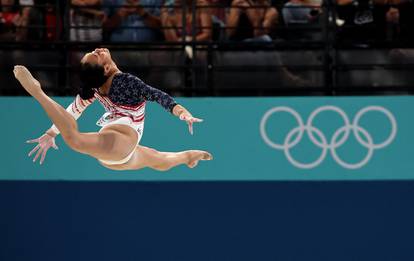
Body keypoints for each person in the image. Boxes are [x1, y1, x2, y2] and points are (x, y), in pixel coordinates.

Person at [13, 48, 212, 171]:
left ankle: (188, 157)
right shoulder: (126, 83)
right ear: (106, 68)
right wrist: (51, 132)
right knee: (157, 160)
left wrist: (182, 113)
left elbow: (73, 112)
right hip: (117, 147)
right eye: (96, 55)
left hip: (116, 148)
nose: (98, 49)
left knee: (159, 161)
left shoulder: (96, 85)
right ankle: (37, 92)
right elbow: (159, 96)